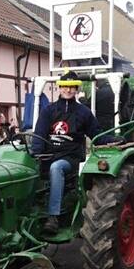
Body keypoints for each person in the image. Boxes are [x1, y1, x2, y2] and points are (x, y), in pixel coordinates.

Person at [32, 71, 114, 234]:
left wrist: (113, 139)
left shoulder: (83, 112)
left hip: (70, 158)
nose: (68, 90)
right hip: (49, 155)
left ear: (77, 89)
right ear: (59, 88)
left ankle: (52, 217)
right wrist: (36, 153)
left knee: (56, 168)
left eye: (72, 87)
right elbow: (39, 134)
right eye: (65, 87)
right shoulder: (49, 111)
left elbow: (96, 135)